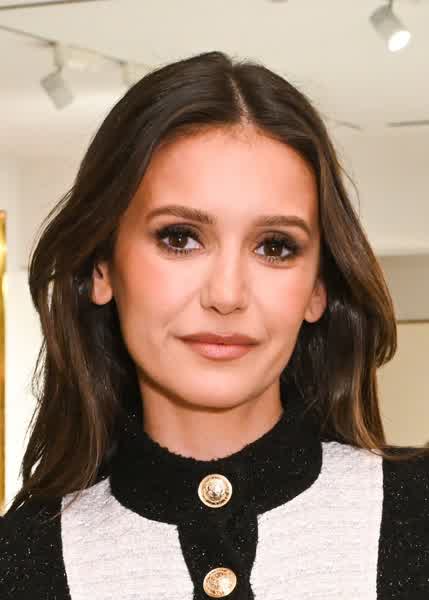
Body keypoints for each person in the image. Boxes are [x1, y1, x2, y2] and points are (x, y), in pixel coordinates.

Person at [1, 50, 428, 599]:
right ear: (102, 267)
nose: (227, 296)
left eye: (275, 247)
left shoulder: (416, 511)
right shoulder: (22, 561)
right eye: (179, 238)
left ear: (317, 288)